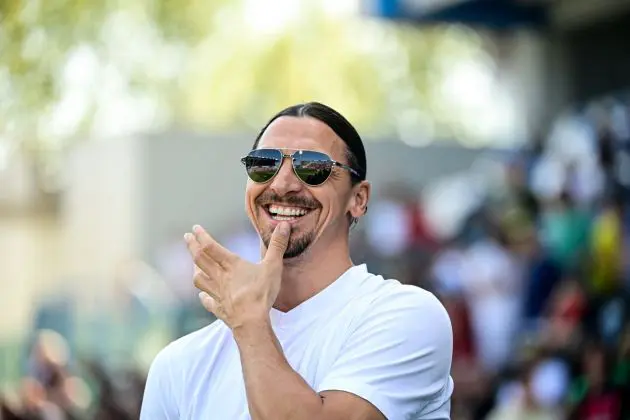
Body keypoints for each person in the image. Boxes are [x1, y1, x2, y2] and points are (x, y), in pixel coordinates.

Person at [139, 102, 454, 420]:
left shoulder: (407, 316)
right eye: (264, 164)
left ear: (358, 199)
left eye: (312, 167)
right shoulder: (179, 365)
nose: (281, 184)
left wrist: (250, 323)